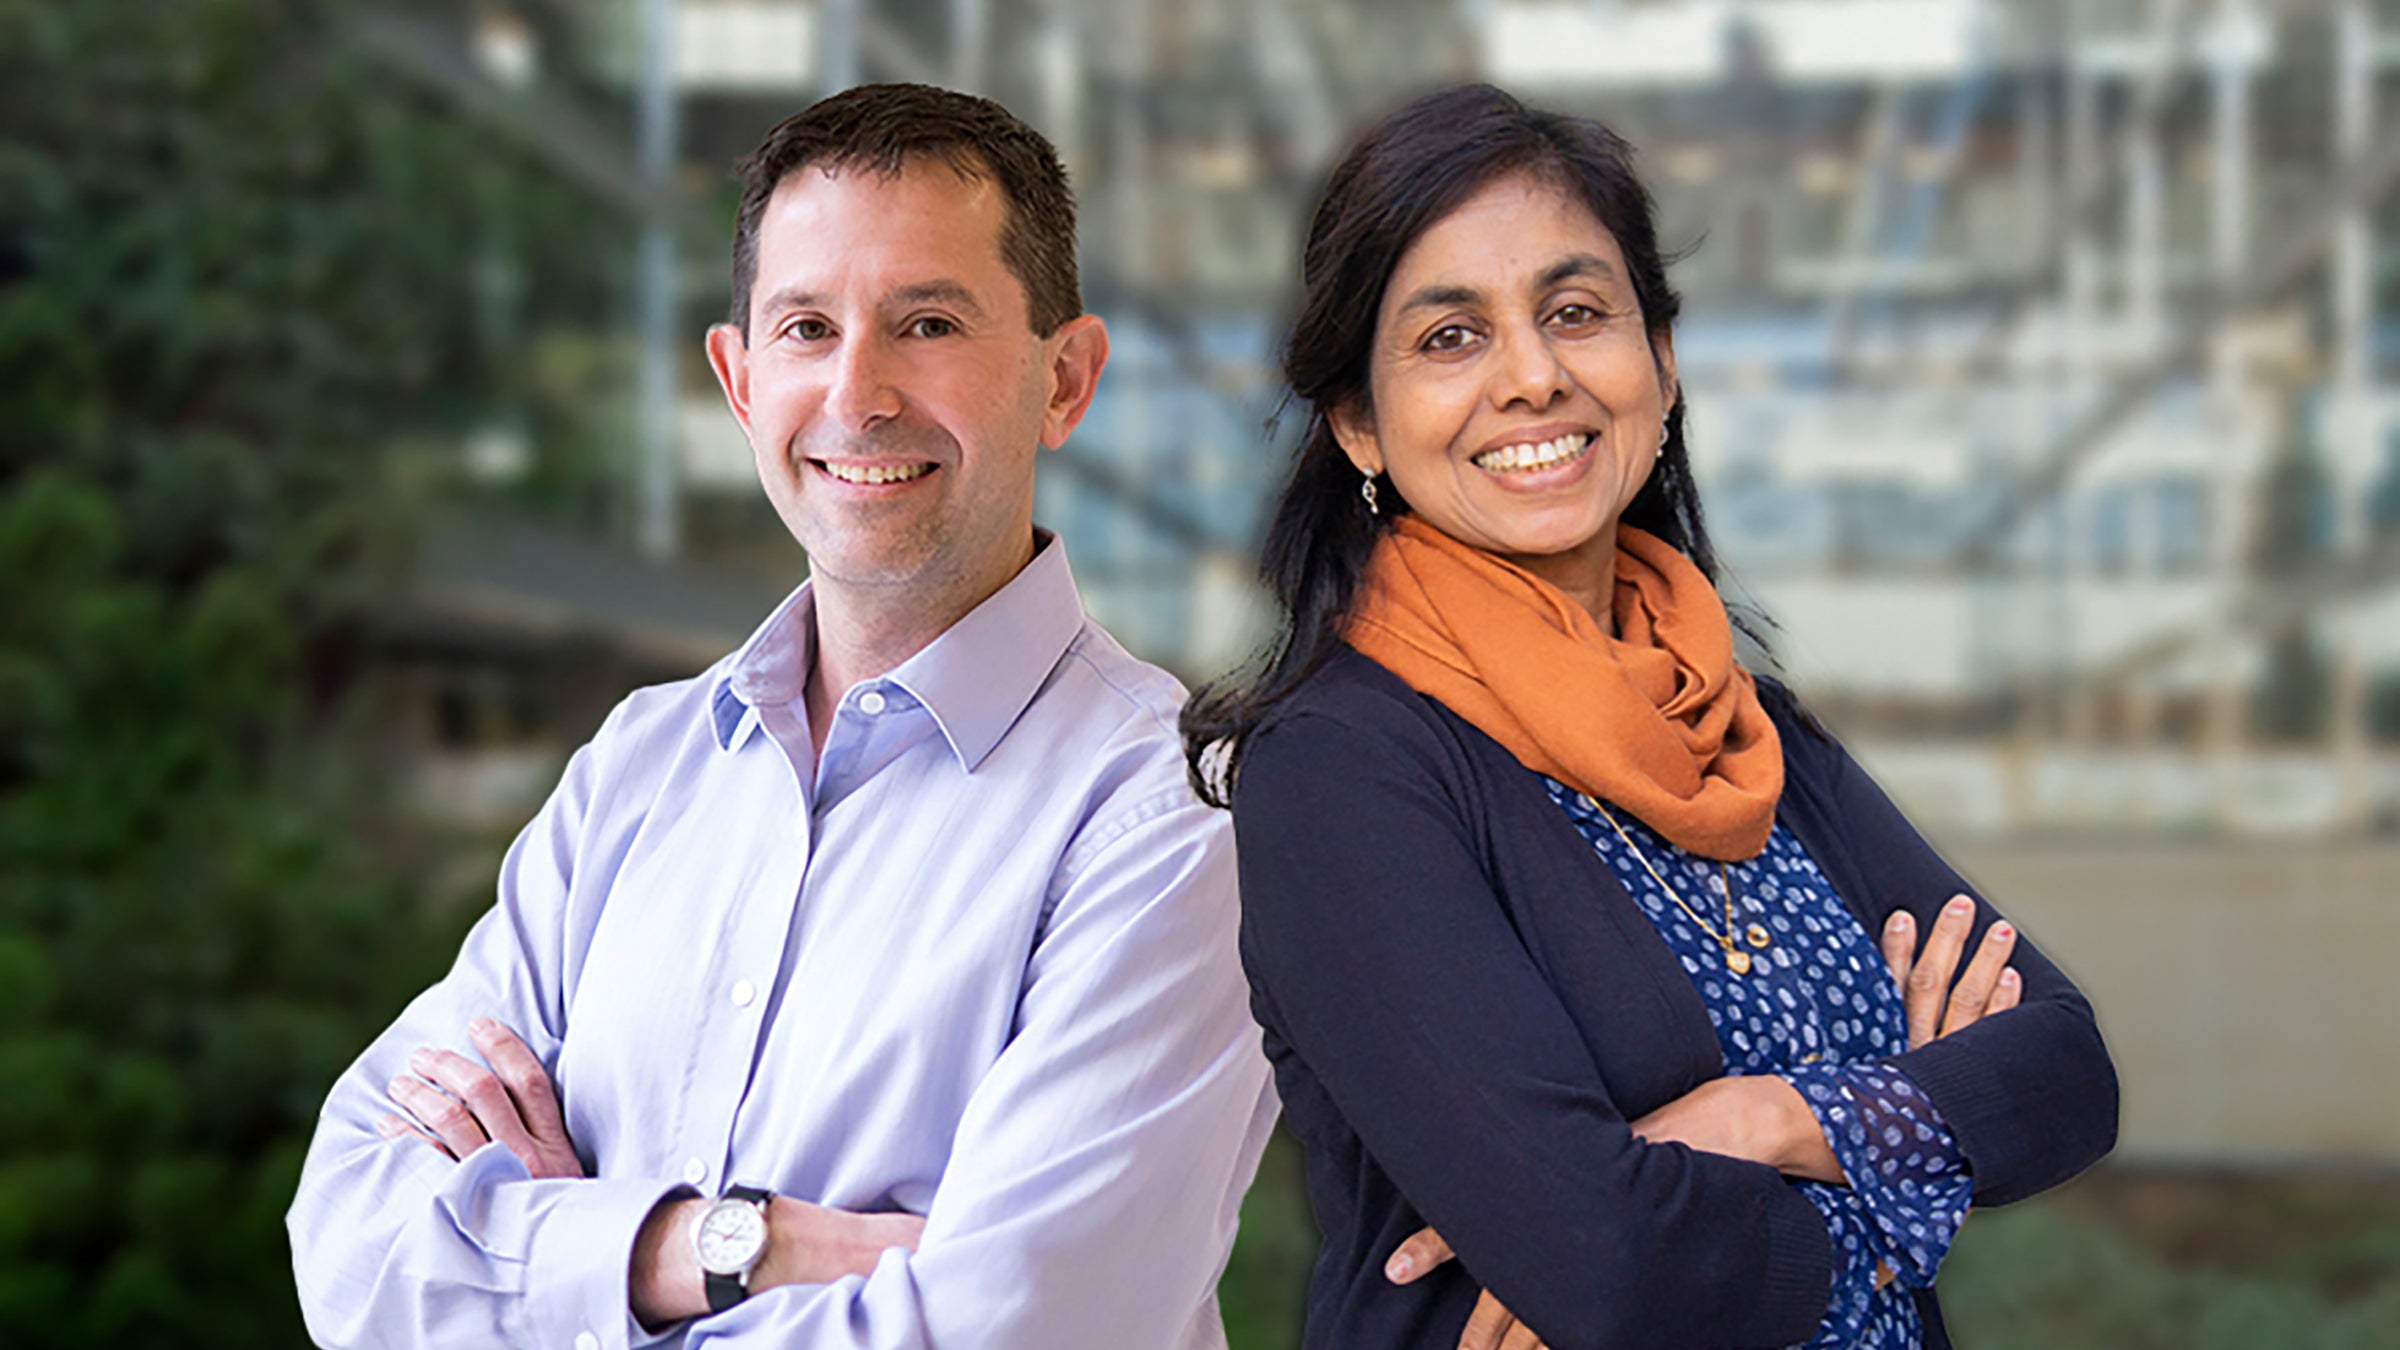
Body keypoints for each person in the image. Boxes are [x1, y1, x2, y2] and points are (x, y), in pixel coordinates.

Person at [289, 83, 1277, 1350]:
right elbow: (352, 1243)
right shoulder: (637, 769)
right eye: (807, 327)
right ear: (739, 380)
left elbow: (1027, 1327)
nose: (857, 395)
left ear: (1066, 379)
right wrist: (725, 1250)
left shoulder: (1176, 815)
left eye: (927, 323)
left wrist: (547, 1263)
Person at [1184, 84, 2117, 1350]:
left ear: (1660, 365)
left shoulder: (1745, 724)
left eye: (1576, 314)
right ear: (1359, 422)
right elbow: (1615, 1266)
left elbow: (2065, 1072)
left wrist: (1764, 1124)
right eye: (1450, 338)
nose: (1532, 377)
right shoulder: (1342, 775)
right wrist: (1910, 1153)